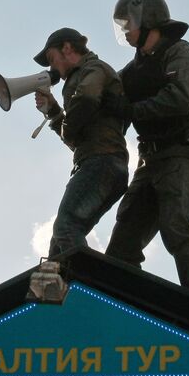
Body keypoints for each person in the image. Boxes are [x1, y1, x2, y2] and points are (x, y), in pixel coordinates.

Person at [103, 0, 189, 296]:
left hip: (181, 155)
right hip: (149, 161)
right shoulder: (132, 70)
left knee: (176, 228)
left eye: (129, 23)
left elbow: (179, 99)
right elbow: (107, 99)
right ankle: (126, 304)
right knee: (122, 242)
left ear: (148, 19)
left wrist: (131, 109)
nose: (125, 30)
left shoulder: (181, 52)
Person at [33, 27, 128, 258]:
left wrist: (64, 122)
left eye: (51, 58)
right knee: (58, 244)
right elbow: (79, 140)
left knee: (66, 227)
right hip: (99, 163)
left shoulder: (94, 68)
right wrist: (55, 113)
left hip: (102, 162)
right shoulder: (85, 74)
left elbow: (86, 100)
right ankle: (62, 290)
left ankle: (89, 284)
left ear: (67, 48)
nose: (51, 66)